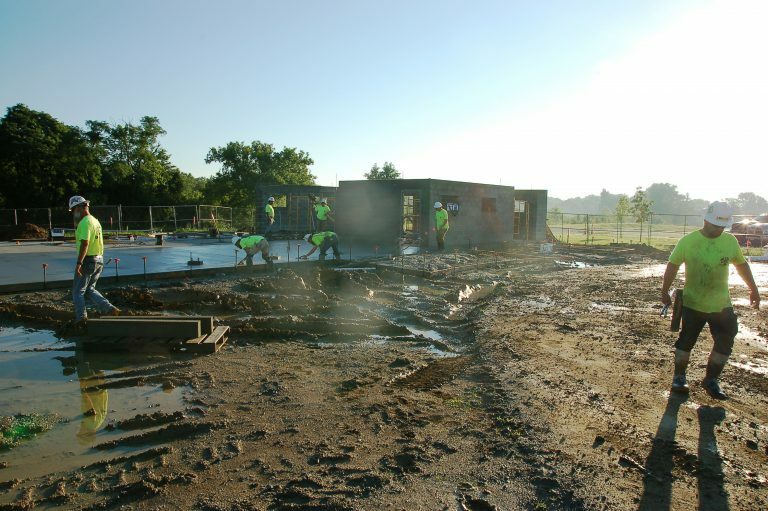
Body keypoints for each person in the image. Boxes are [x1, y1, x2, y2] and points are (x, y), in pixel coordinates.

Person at [661, 201, 761, 399]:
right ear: (706, 220)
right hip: (693, 303)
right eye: (716, 224)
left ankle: (711, 380)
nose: (719, 229)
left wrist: (754, 289)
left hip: (721, 304)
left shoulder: (730, 242)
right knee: (686, 340)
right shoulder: (688, 241)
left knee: (726, 340)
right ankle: (679, 377)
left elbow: (741, 265)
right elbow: (672, 266)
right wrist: (664, 291)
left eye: (722, 226)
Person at [69, 196, 120, 327]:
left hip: (88, 261)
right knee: (90, 289)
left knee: (77, 292)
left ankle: (81, 319)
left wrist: (79, 263)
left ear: (80, 207)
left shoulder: (85, 222)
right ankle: (110, 309)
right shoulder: (95, 221)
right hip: (99, 259)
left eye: (74, 209)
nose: (74, 213)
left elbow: (85, 243)